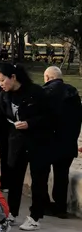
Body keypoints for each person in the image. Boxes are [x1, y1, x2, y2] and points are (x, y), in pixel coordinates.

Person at [0, 63, 52, 231]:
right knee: (14, 179)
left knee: (38, 180)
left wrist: (30, 123)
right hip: (16, 141)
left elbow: (49, 117)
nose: (0, 84)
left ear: (13, 77)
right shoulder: (2, 97)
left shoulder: (36, 93)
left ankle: (35, 216)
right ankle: (11, 211)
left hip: (38, 142)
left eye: (2, 80)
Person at [42, 66, 82, 218]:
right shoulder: (73, 92)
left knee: (42, 175)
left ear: (47, 77)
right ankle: (60, 208)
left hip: (49, 142)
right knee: (61, 176)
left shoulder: (46, 92)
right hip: (68, 143)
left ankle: (45, 205)